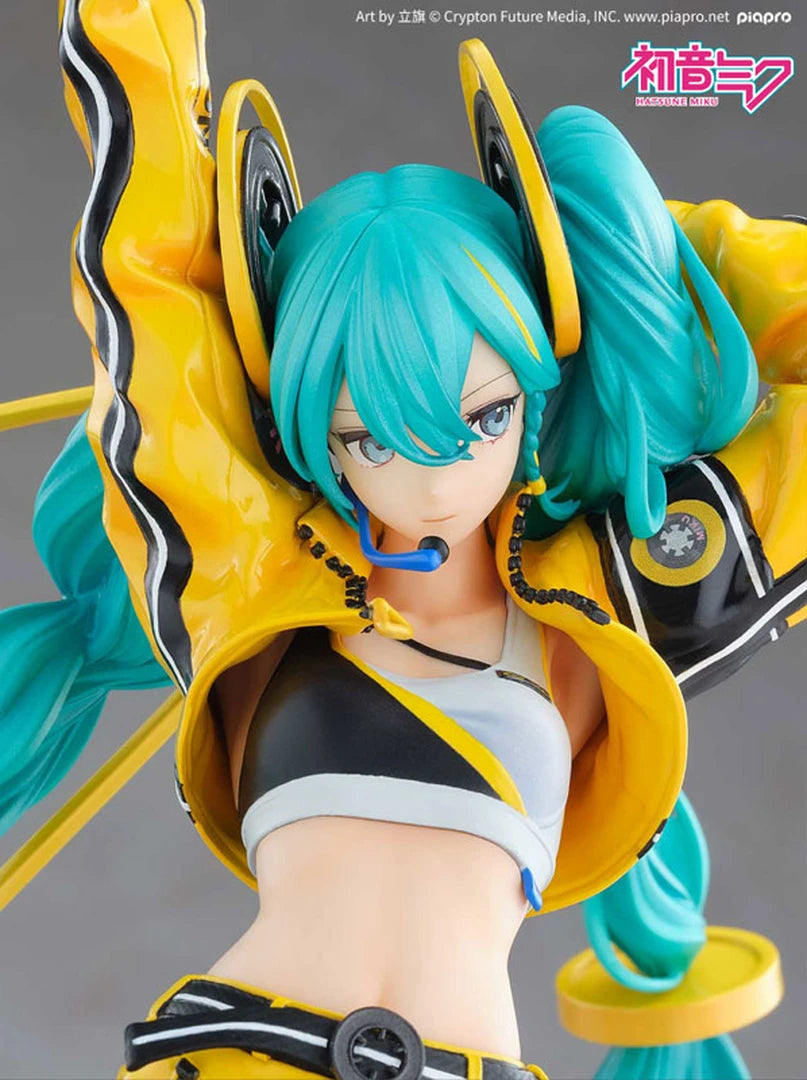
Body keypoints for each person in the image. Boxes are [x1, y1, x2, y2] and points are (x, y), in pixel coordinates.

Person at [1, 1, 804, 1077]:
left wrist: (627, 246)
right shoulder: (253, 570)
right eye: (369, 437)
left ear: (538, 387)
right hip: (240, 1051)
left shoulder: (616, 596)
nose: (433, 482)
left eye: (484, 417)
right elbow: (150, 269)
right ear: (306, 431)